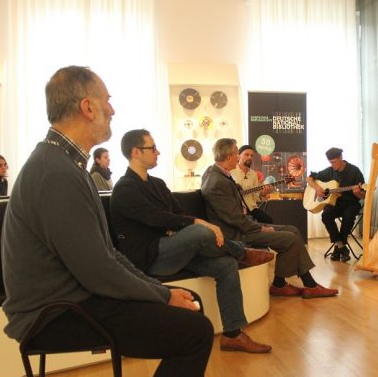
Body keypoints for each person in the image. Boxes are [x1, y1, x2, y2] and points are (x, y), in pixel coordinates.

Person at [1, 66, 213, 377]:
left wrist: (159, 289)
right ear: (88, 107)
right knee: (194, 332)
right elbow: (98, 271)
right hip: (55, 314)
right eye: (107, 100)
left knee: (190, 313)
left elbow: (107, 254)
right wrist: (163, 295)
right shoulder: (56, 173)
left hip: (73, 298)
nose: (112, 109)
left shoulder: (65, 165)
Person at [111, 129, 273, 354]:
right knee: (200, 231)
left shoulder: (157, 184)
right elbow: (156, 218)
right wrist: (196, 223)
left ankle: (233, 335)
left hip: (175, 249)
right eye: (152, 148)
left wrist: (185, 226)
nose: (158, 152)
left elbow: (176, 213)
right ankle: (242, 252)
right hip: (151, 257)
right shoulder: (124, 189)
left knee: (226, 265)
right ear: (135, 152)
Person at [201, 138, 339, 299]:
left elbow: (236, 212)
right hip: (236, 233)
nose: (239, 157)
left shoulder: (217, 173)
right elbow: (235, 219)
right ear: (229, 156)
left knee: (293, 230)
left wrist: (258, 215)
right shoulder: (217, 181)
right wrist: (260, 227)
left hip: (242, 225)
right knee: (291, 239)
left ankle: (285, 285)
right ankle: (304, 285)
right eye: (237, 154)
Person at [306, 147, 365, 261]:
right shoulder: (329, 171)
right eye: (330, 162)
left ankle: (338, 248)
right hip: (335, 203)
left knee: (348, 216)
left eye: (334, 162)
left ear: (341, 157)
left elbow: (363, 195)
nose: (332, 165)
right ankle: (341, 246)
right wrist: (318, 188)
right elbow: (309, 179)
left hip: (351, 203)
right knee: (326, 215)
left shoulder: (354, 171)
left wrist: (358, 193)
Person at [230, 144, 274, 224]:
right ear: (239, 156)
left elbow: (256, 197)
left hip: (252, 209)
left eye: (251, 155)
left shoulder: (253, 174)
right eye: (246, 154)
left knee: (268, 221)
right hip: (237, 209)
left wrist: (263, 194)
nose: (250, 157)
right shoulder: (231, 171)